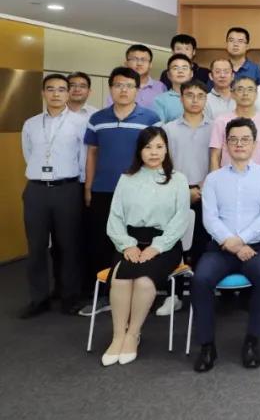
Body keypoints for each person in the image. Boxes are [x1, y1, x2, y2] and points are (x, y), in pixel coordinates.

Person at [192, 117, 260, 372]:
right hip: (220, 248)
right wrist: (231, 243)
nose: (239, 144)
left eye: (245, 139)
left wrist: (240, 241)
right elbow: (210, 218)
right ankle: (207, 346)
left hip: (255, 248)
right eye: (233, 139)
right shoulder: (214, 179)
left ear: (254, 143)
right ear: (226, 144)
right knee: (200, 279)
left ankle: (252, 342)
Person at [99, 126, 189, 366]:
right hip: (129, 242)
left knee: (143, 282)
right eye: (148, 147)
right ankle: (118, 336)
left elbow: (181, 219)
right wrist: (126, 245)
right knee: (120, 280)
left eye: (159, 147)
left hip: (165, 245)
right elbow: (115, 217)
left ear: (167, 150)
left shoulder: (178, 180)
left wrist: (157, 247)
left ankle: (133, 334)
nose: (154, 152)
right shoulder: (126, 179)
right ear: (139, 151)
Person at [82, 67, 161, 316]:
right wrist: (88, 186)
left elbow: (157, 154)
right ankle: (103, 296)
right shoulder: (97, 119)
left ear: (137, 90)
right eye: (118, 85)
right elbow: (92, 153)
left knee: (136, 243)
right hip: (103, 190)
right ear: (110, 88)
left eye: (129, 86)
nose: (123, 90)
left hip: (139, 192)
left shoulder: (150, 118)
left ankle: (138, 296)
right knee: (100, 243)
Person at [20, 74, 87, 318]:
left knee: (68, 245)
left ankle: (70, 297)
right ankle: (39, 299)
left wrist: (81, 189)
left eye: (61, 89)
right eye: (50, 89)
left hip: (67, 189)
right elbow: (28, 154)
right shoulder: (31, 124)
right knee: (36, 246)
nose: (56, 94)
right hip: (36, 190)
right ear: (43, 93)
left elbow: (83, 158)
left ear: (68, 94)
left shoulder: (80, 122)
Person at [158, 80, 213, 316]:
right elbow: (164, 164)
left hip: (207, 193)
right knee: (174, 246)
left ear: (206, 99)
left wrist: (202, 188)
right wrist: (183, 191)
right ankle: (174, 295)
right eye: (189, 95)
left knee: (202, 246)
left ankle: (201, 294)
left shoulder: (215, 128)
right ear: (181, 99)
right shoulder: (168, 129)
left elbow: (218, 161)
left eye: (200, 95)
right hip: (176, 193)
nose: (195, 100)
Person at [208, 76, 260, 171]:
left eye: (250, 89)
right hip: (227, 176)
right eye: (240, 89)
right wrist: (215, 178)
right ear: (232, 94)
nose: (245, 93)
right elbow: (215, 156)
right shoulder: (221, 121)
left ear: (256, 94)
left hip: (258, 176)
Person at [105, 44, 166, 109]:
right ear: (126, 63)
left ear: (150, 65)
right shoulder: (118, 87)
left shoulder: (161, 87)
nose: (139, 63)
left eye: (144, 60)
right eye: (134, 59)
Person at [153, 54, 194, 123]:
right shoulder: (160, 100)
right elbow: (158, 127)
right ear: (168, 75)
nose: (180, 71)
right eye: (175, 68)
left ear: (191, 74)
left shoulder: (201, 97)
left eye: (184, 68)